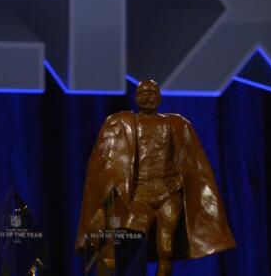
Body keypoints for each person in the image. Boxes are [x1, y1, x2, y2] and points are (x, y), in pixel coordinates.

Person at [75, 79, 236, 275]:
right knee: (131, 244)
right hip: (139, 196)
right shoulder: (124, 124)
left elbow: (193, 163)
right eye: (142, 93)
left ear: (159, 97)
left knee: (166, 248)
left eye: (151, 92)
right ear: (135, 98)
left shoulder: (175, 124)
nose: (147, 97)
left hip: (168, 194)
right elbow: (104, 166)